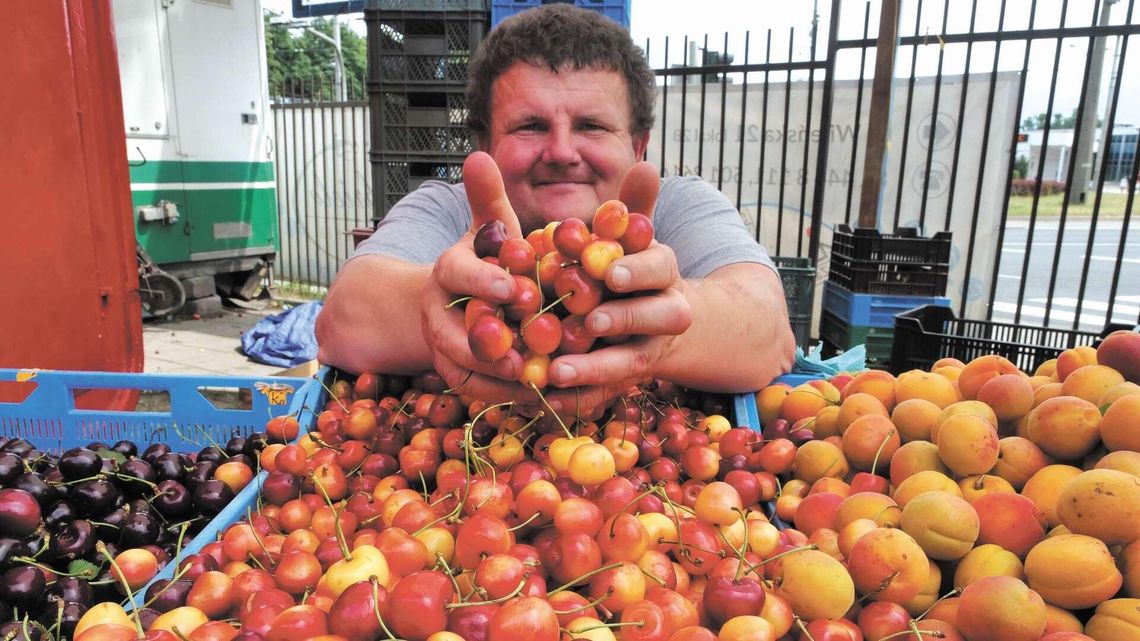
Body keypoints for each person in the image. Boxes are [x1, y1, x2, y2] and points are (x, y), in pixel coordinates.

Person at [316, 4, 795, 414]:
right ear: (486, 144)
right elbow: (342, 321)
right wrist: (442, 309)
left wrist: (651, 329)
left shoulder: (676, 206)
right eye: (530, 125)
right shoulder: (449, 208)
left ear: (639, 145)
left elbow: (769, 331)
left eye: (591, 125)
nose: (562, 151)